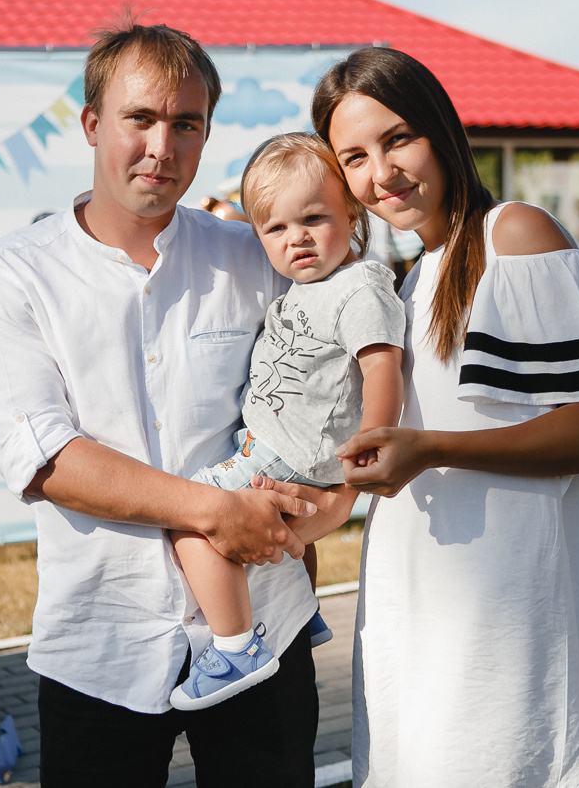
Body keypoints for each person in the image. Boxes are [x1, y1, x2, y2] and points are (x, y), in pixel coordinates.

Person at [0, 20, 354, 788]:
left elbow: (333, 390)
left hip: (263, 629)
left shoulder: (254, 257)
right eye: (140, 118)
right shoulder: (12, 276)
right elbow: (47, 458)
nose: (162, 146)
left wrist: (333, 507)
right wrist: (215, 512)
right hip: (101, 644)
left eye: (186, 124)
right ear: (91, 124)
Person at [306, 47, 579, 786]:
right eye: (355, 156)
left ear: (441, 129)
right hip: (419, 602)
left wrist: (432, 447)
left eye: (398, 137)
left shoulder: (515, 237)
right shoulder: (406, 282)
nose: (383, 172)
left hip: (507, 617)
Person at [168, 133, 404, 710]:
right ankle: (301, 618)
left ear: (351, 215)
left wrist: (369, 446)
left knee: (193, 524)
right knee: (274, 538)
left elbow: (382, 368)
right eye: (275, 228)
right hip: (274, 446)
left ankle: (236, 646)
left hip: (291, 454)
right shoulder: (306, 287)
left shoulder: (359, 288)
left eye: (314, 218)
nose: (295, 237)